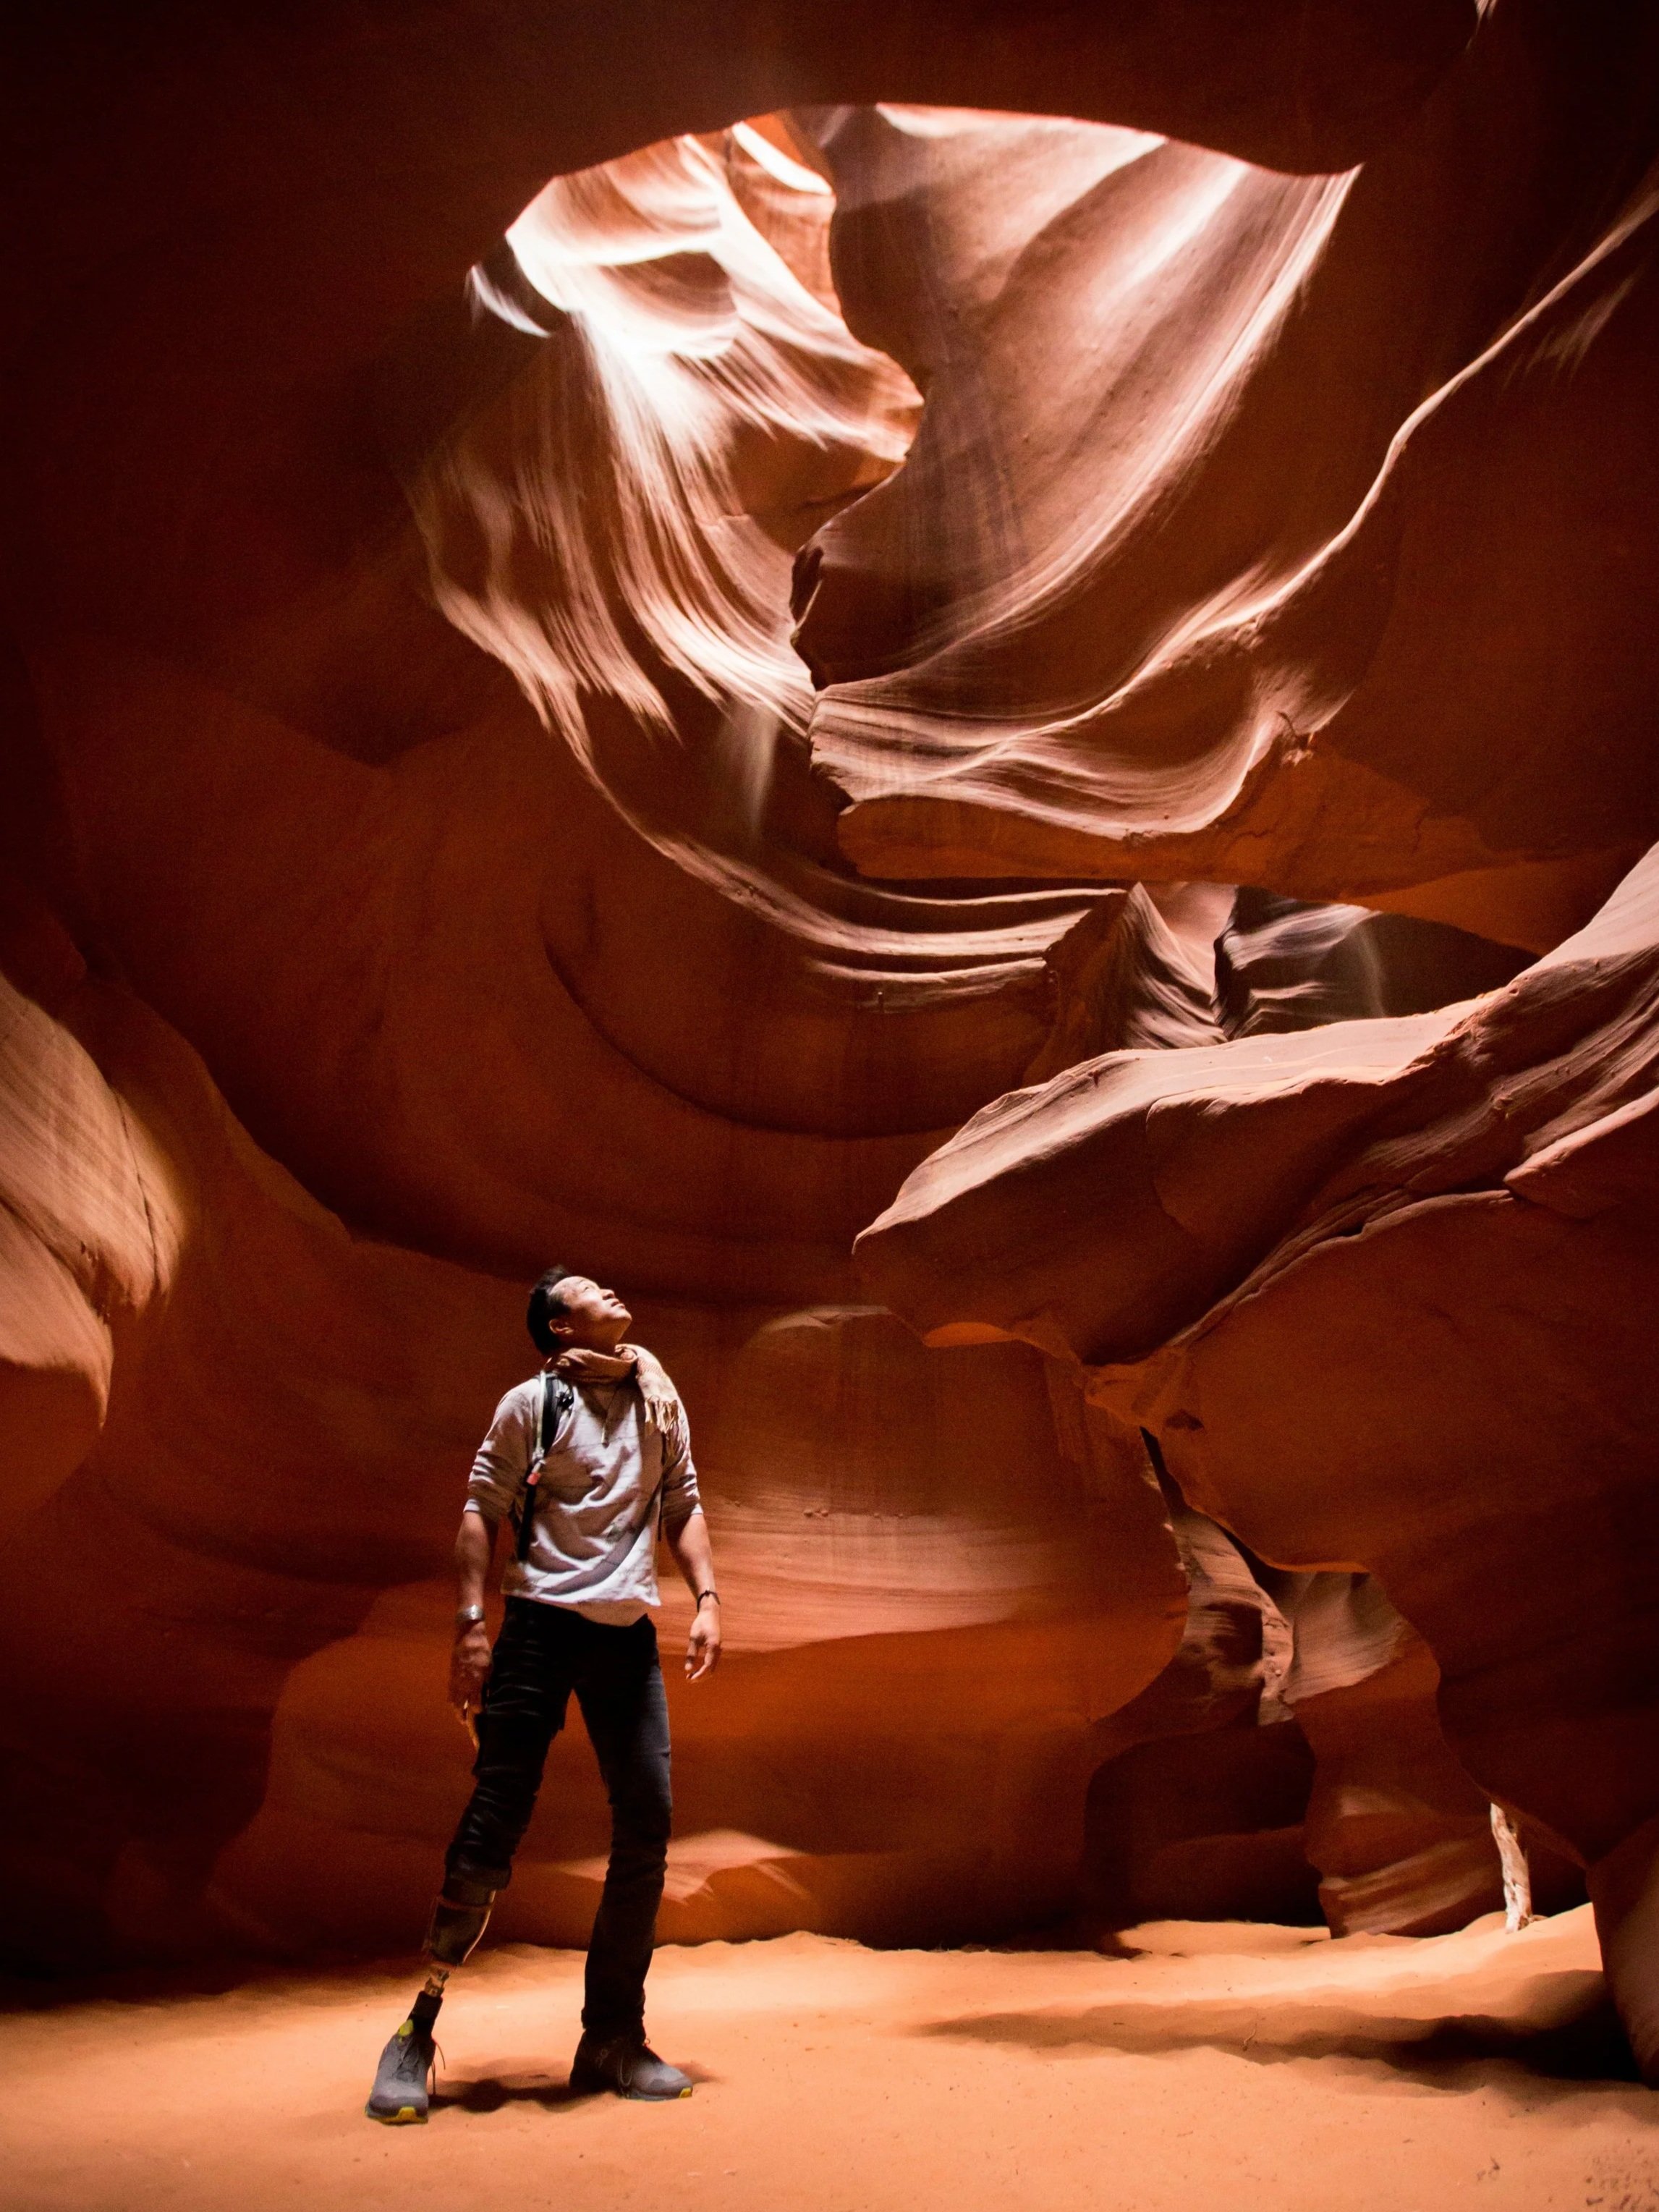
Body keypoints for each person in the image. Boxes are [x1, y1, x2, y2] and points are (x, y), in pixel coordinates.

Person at [367, 1267, 721, 2124]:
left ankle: (612, 2037)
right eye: (589, 1292)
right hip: (538, 1625)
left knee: (647, 1819)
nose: (611, 1294)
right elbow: (483, 1507)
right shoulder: (533, 1404)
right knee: (496, 1817)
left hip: (624, 1633)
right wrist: (469, 1625)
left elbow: (684, 1504)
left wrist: (707, 1597)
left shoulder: (656, 1398)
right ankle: (418, 2025)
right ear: (560, 1329)